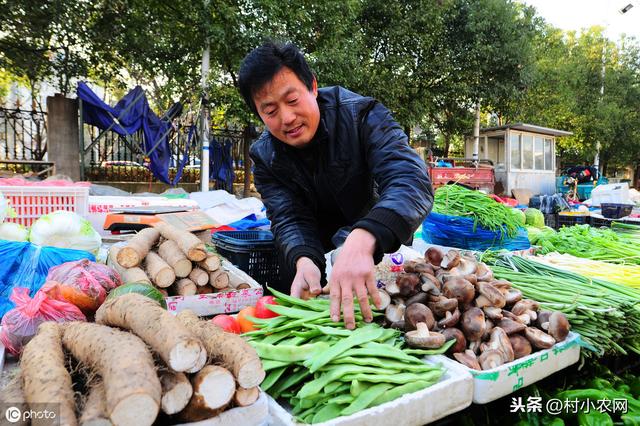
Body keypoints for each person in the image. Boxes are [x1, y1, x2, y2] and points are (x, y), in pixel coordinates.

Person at [238, 41, 433, 329]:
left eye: (292, 101)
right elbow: (288, 216)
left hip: (376, 250)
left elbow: (410, 179)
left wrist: (365, 236)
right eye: (270, 111)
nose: (287, 118)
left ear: (312, 87)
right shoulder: (265, 155)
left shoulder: (362, 115)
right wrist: (303, 259)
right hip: (314, 269)